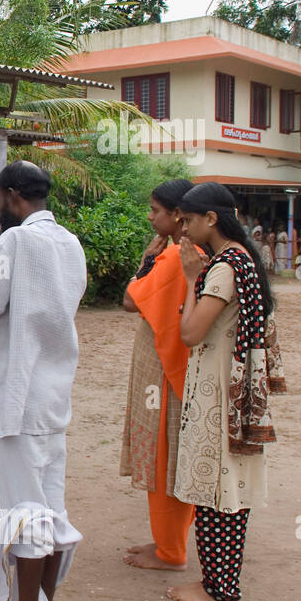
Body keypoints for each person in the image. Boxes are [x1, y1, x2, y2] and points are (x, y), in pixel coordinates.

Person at [0, 161, 87, 601]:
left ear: (13, 197)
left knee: (26, 513)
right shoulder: (68, 242)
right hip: (54, 394)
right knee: (50, 511)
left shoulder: (14, 242)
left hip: (19, 396)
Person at [167, 182, 285, 601]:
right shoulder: (244, 257)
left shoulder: (221, 267)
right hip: (236, 391)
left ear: (211, 220)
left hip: (219, 393)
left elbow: (191, 332)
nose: (184, 230)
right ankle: (220, 583)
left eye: (189, 220)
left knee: (217, 494)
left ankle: (217, 587)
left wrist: (191, 277)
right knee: (227, 490)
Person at [119, 179, 197, 571]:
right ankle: (169, 542)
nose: (150, 217)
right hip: (180, 370)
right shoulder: (198, 251)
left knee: (165, 455)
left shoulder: (174, 257)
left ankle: (171, 551)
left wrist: (147, 262)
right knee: (174, 455)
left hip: (167, 371)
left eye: (155, 211)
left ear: (178, 215)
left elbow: (130, 300)